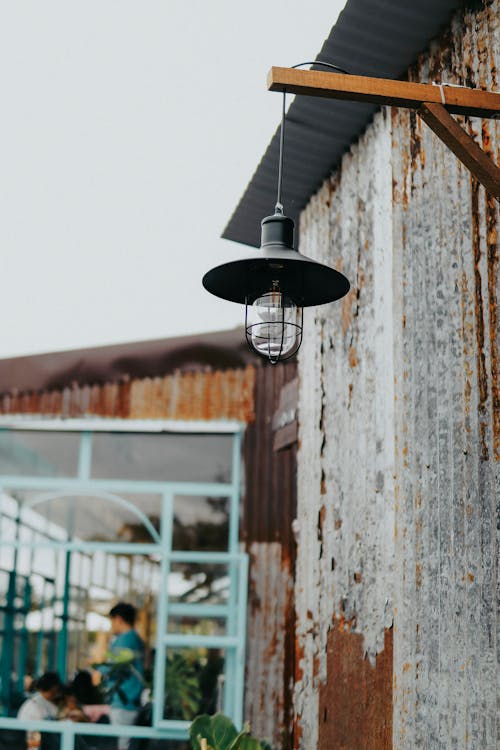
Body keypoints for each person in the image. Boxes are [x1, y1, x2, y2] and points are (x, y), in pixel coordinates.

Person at [94, 603, 145, 749]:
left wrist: (98, 667)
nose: (112, 626)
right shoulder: (136, 639)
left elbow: (113, 668)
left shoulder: (124, 640)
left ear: (118, 619)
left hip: (124, 700)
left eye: (111, 621)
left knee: (122, 744)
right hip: (133, 698)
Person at [17, 673, 63, 750]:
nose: (57, 693)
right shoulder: (35, 705)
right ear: (53, 688)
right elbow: (33, 739)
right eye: (55, 689)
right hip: (30, 744)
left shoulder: (43, 700)